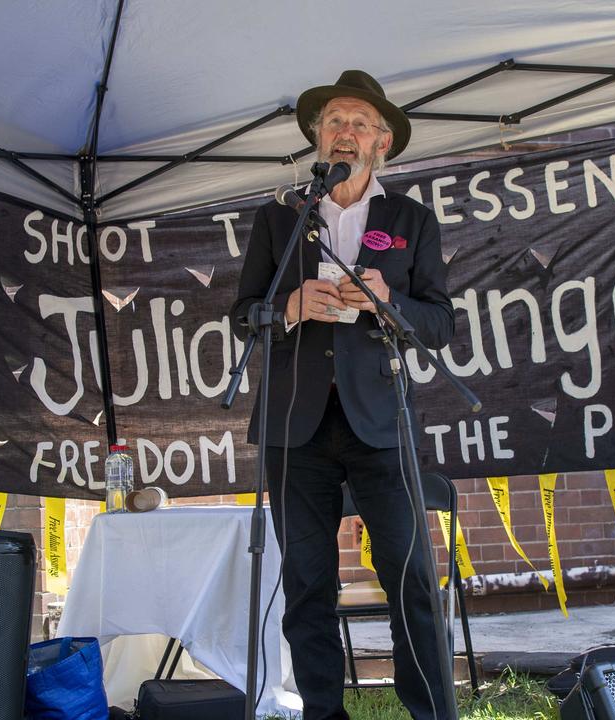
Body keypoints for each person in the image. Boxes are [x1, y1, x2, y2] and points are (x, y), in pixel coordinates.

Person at [231, 70, 455, 720]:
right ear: (315, 136)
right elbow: (242, 314)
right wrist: (290, 307)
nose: (345, 133)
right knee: (307, 584)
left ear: (382, 142)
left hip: (382, 427)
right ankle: (323, 715)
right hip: (293, 429)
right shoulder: (278, 219)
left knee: (410, 576)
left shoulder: (410, 220)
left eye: (359, 123)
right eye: (334, 122)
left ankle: (433, 714)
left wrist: (391, 302)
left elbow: (440, 324)